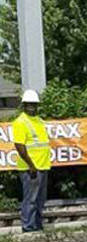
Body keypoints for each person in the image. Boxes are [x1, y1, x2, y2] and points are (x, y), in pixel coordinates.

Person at [12, 90, 51, 233]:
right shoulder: (20, 122)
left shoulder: (39, 121)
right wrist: (31, 165)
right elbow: (19, 145)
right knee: (31, 199)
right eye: (29, 104)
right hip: (31, 168)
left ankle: (38, 226)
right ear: (24, 105)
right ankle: (28, 227)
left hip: (43, 165)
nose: (31, 107)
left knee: (40, 200)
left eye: (34, 104)